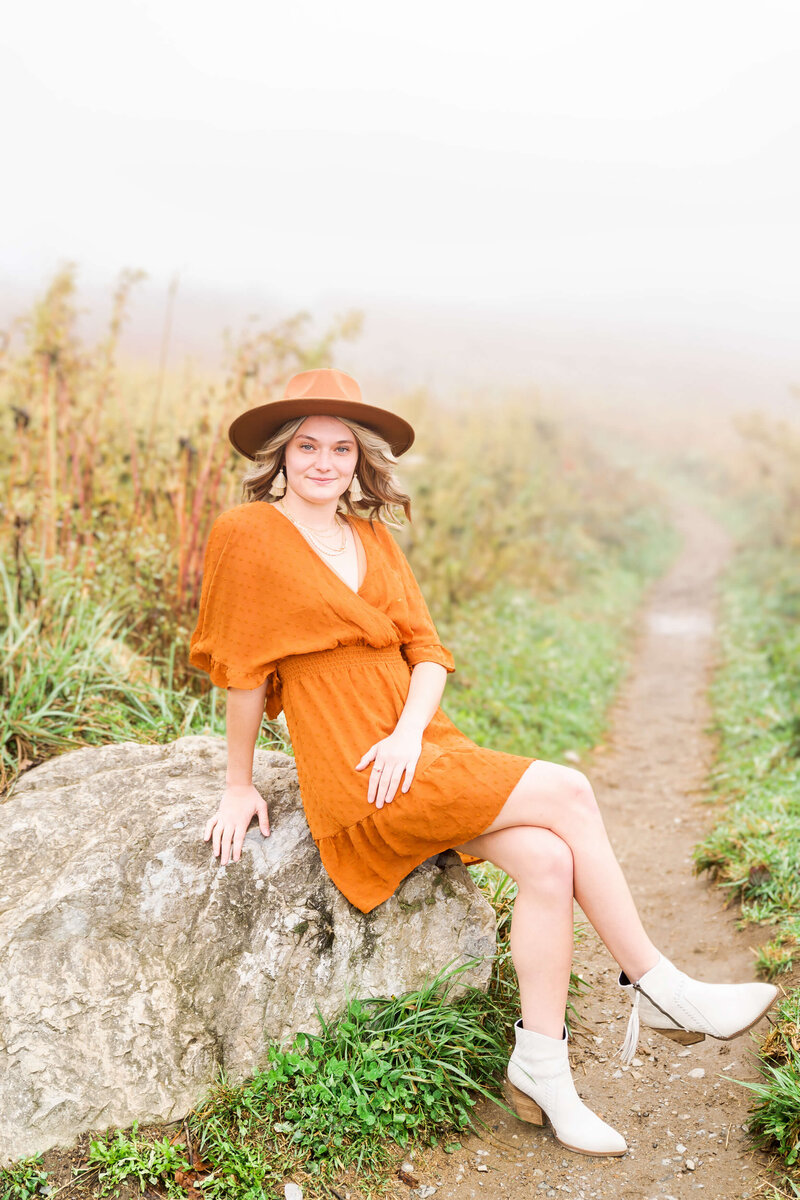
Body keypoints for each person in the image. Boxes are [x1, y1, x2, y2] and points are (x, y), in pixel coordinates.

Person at [189, 367, 778, 1159]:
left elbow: (426, 652)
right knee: (568, 790)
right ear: (281, 456)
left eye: (340, 448)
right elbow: (242, 670)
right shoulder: (247, 534)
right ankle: (660, 986)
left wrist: (408, 734)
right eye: (307, 446)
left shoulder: (370, 538)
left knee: (544, 861)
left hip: (413, 743)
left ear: (360, 461)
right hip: (354, 768)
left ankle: (542, 1068)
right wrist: (237, 784)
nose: (324, 462)